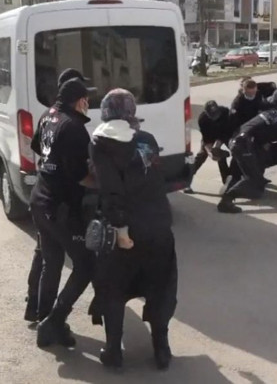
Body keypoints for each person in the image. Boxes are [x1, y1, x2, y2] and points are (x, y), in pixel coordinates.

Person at [89, 89, 177, 370]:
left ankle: (114, 351)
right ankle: (161, 349)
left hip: (125, 231)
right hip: (159, 226)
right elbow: (156, 179)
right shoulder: (146, 139)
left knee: (114, 289)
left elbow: (112, 190)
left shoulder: (100, 142)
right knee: (160, 287)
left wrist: (121, 229)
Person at [27, 68, 95, 349]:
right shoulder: (75, 128)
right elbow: (82, 176)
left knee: (51, 261)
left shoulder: (47, 115)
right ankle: (55, 319)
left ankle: (45, 322)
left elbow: (36, 147)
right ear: (78, 101)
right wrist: (108, 183)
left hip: (40, 198)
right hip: (61, 208)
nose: (88, 103)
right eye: (86, 99)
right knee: (85, 265)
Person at [218, 90, 277, 213]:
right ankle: (226, 200)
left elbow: (258, 132)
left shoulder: (271, 113)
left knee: (254, 174)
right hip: (244, 144)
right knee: (254, 178)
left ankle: (231, 188)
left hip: (236, 140)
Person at [184, 100, 232, 193]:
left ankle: (228, 181)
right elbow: (206, 139)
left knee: (234, 150)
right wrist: (210, 152)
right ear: (207, 114)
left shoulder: (225, 112)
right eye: (212, 116)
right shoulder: (203, 119)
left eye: (216, 115)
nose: (215, 118)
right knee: (201, 155)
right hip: (210, 137)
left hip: (224, 135)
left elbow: (227, 131)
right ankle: (186, 181)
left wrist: (217, 147)